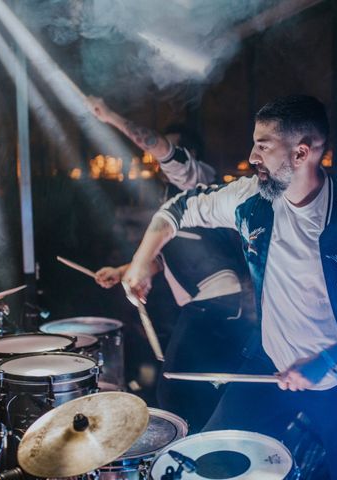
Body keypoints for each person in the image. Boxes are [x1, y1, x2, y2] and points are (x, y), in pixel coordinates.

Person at [122, 95, 337, 478]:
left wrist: (325, 358)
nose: (252, 157)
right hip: (269, 364)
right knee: (207, 464)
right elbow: (177, 209)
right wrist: (142, 262)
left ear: (301, 153)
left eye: (263, 146)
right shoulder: (251, 200)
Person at [86, 97, 253, 432]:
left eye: (172, 151)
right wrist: (125, 270)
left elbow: (162, 148)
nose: (162, 157)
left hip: (217, 303)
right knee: (187, 392)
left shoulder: (199, 179)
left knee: (174, 391)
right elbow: (168, 257)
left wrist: (112, 116)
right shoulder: (174, 200)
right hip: (207, 305)